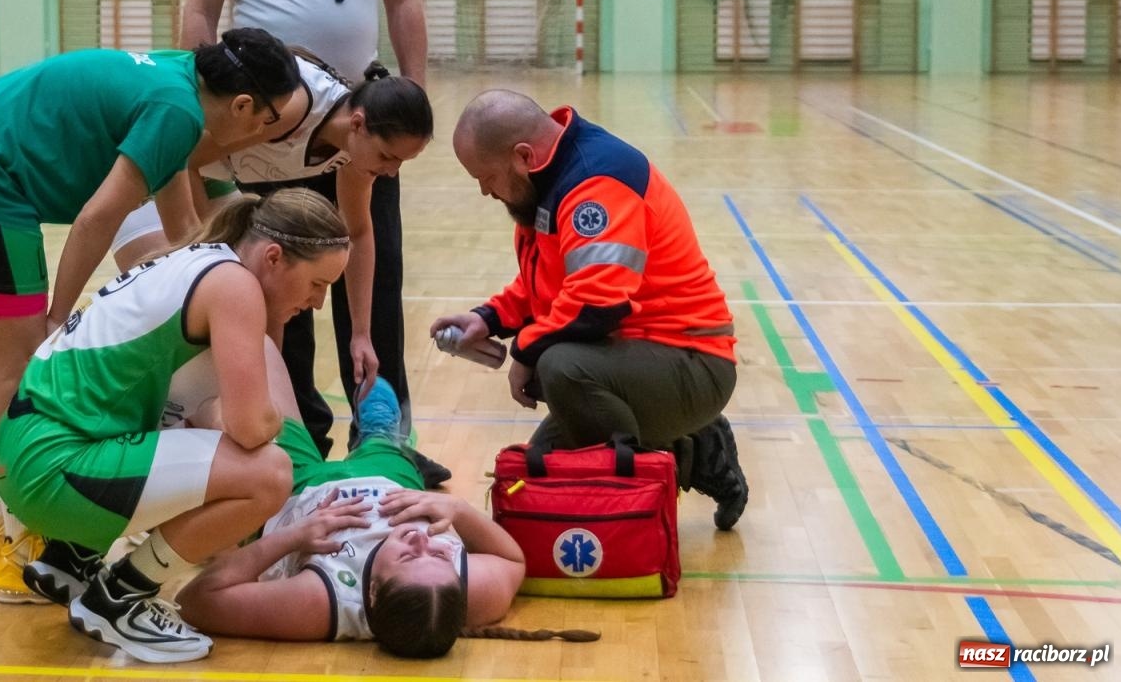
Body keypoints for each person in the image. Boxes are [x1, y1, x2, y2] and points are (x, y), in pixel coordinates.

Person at [0, 28, 302, 603]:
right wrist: (58, 318)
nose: (264, 134)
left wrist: (209, 273)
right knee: (19, 376)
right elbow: (97, 218)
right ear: (242, 104)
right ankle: (21, 547)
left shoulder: (177, 78)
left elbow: (183, 227)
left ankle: (0, 533)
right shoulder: (177, 111)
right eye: (268, 121)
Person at [179, 0, 444, 485]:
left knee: (374, 283)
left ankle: (387, 438)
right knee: (282, 295)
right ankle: (298, 440)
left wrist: (411, 91)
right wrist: (199, 99)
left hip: (358, 126)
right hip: (266, 127)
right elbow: (201, 12)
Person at [0, 189, 351, 664]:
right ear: (274, 257)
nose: (318, 302)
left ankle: (71, 556)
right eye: (317, 283)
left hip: (27, 453)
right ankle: (120, 596)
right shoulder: (236, 288)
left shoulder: (201, 263)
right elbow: (251, 429)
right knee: (269, 473)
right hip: (54, 467)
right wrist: (265, 419)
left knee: (201, 420)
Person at [430, 90, 749, 530]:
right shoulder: (546, 184)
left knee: (558, 365)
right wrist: (486, 318)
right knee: (538, 477)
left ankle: (689, 452)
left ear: (523, 155)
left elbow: (598, 305)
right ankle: (690, 437)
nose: (485, 190)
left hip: (693, 361)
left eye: (486, 177)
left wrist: (522, 352)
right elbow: (546, 286)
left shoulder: (596, 184)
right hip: (634, 355)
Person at [112, 54, 433, 411]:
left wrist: (361, 333)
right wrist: (200, 254)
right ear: (358, 124)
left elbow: (358, 233)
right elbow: (182, 156)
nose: (392, 171)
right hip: (157, 167)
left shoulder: (356, 156)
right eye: (388, 156)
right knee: (198, 299)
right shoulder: (290, 110)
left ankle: (265, 429)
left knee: (264, 295)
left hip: (206, 178)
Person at [175, 349, 526, 658]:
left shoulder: (320, 605)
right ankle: (380, 436)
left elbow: (195, 600)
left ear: (371, 592)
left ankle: (202, 424)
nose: (421, 541)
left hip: (291, 489)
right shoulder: (463, 594)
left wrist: (295, 536)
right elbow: (512, 560)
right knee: (382, 421)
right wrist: (458, 510)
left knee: (254, 351)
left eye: (407, 556)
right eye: (438, 554)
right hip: (392, 481)